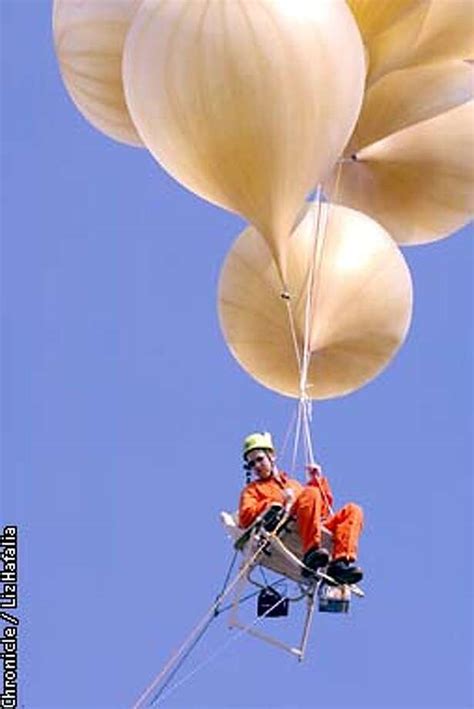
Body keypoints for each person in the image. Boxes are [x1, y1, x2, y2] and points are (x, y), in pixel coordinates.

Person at [238, 432, 364, 585]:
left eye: (259, 459)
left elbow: (321, 511)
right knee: (311, 493)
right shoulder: (252, 490)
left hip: (311, 527)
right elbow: (245, 517)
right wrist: (276, 502)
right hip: (287, 530)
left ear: (271, 456)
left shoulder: (293, 484)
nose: (256, 466)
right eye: (251, 464)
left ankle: (340, 564)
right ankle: (311, 552)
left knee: (353, 510)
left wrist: (317, 481)